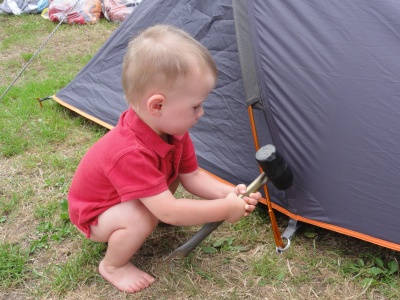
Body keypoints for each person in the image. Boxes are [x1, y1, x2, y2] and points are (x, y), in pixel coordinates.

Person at [68, 24, 261, 294]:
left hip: (126, 199)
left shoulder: (175, 132)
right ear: (157, 105)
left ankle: (137, 217)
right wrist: (224, 210)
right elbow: (169, 211)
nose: (201, 113)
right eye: (196, 105)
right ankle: (112, 266)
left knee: (153, 207)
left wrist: (229, 194)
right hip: (96, 215)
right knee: (142, 218)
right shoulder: (129, 152)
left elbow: (192, 176)